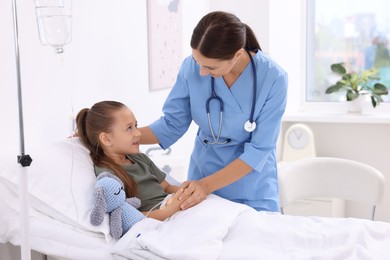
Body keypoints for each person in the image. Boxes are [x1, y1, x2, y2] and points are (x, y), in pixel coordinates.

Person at [139, 11, 288, 212]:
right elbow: (172, 124)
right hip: (202, 179)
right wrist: (121, 136)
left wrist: (207, 185)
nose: (201, 72)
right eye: (197, 61)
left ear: (237, 54)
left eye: (210, 67)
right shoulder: (191, 67)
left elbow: (259, 150)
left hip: (252, 187)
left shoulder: (273, 78)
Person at [76, 100, 189, 221]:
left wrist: (187, 193)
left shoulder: (140, 158)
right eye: (129, 128)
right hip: (160, 217)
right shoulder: (108, 175)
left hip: (174, 206)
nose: (138, 133)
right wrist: (169, 210)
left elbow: (166, 187)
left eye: (136, 125)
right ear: (106, 139)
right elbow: (127, 216)